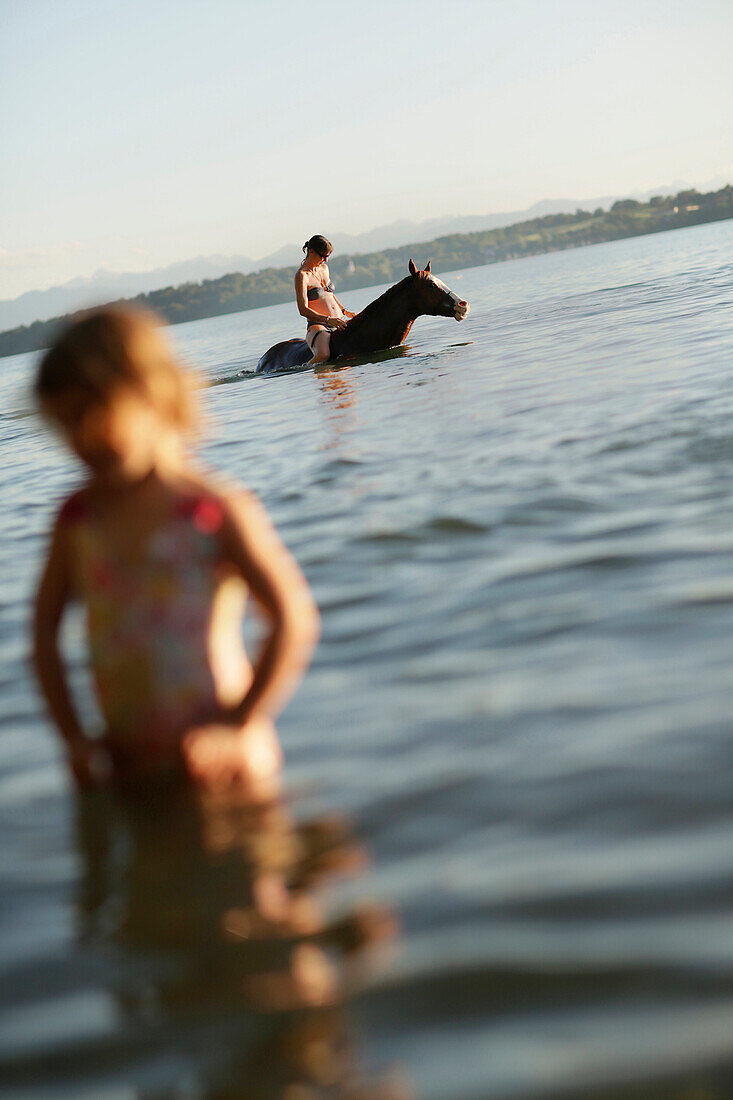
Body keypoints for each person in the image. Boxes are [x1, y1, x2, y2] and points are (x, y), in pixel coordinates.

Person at [32, 306, 320, 796]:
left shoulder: (212, 510)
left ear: (154, 398)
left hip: (229, 766)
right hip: (129, 771)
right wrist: (75, 740)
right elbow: (44, 639)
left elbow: (293, 619)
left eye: (95, 422)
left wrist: (238, 723)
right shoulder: (77, 522)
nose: (83, 445)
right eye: (67, 429)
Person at [294, 234, 357, 365]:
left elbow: (329, 294)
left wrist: (344, 311)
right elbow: (303, 310)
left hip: (338, 321)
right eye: (323, 256)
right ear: (311, 252)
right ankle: (306, 371)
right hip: (318, 326)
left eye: (328, 256)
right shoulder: (302, 276)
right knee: (324, 354)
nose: (326, 260)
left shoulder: (324, 269)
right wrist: (328, 320)